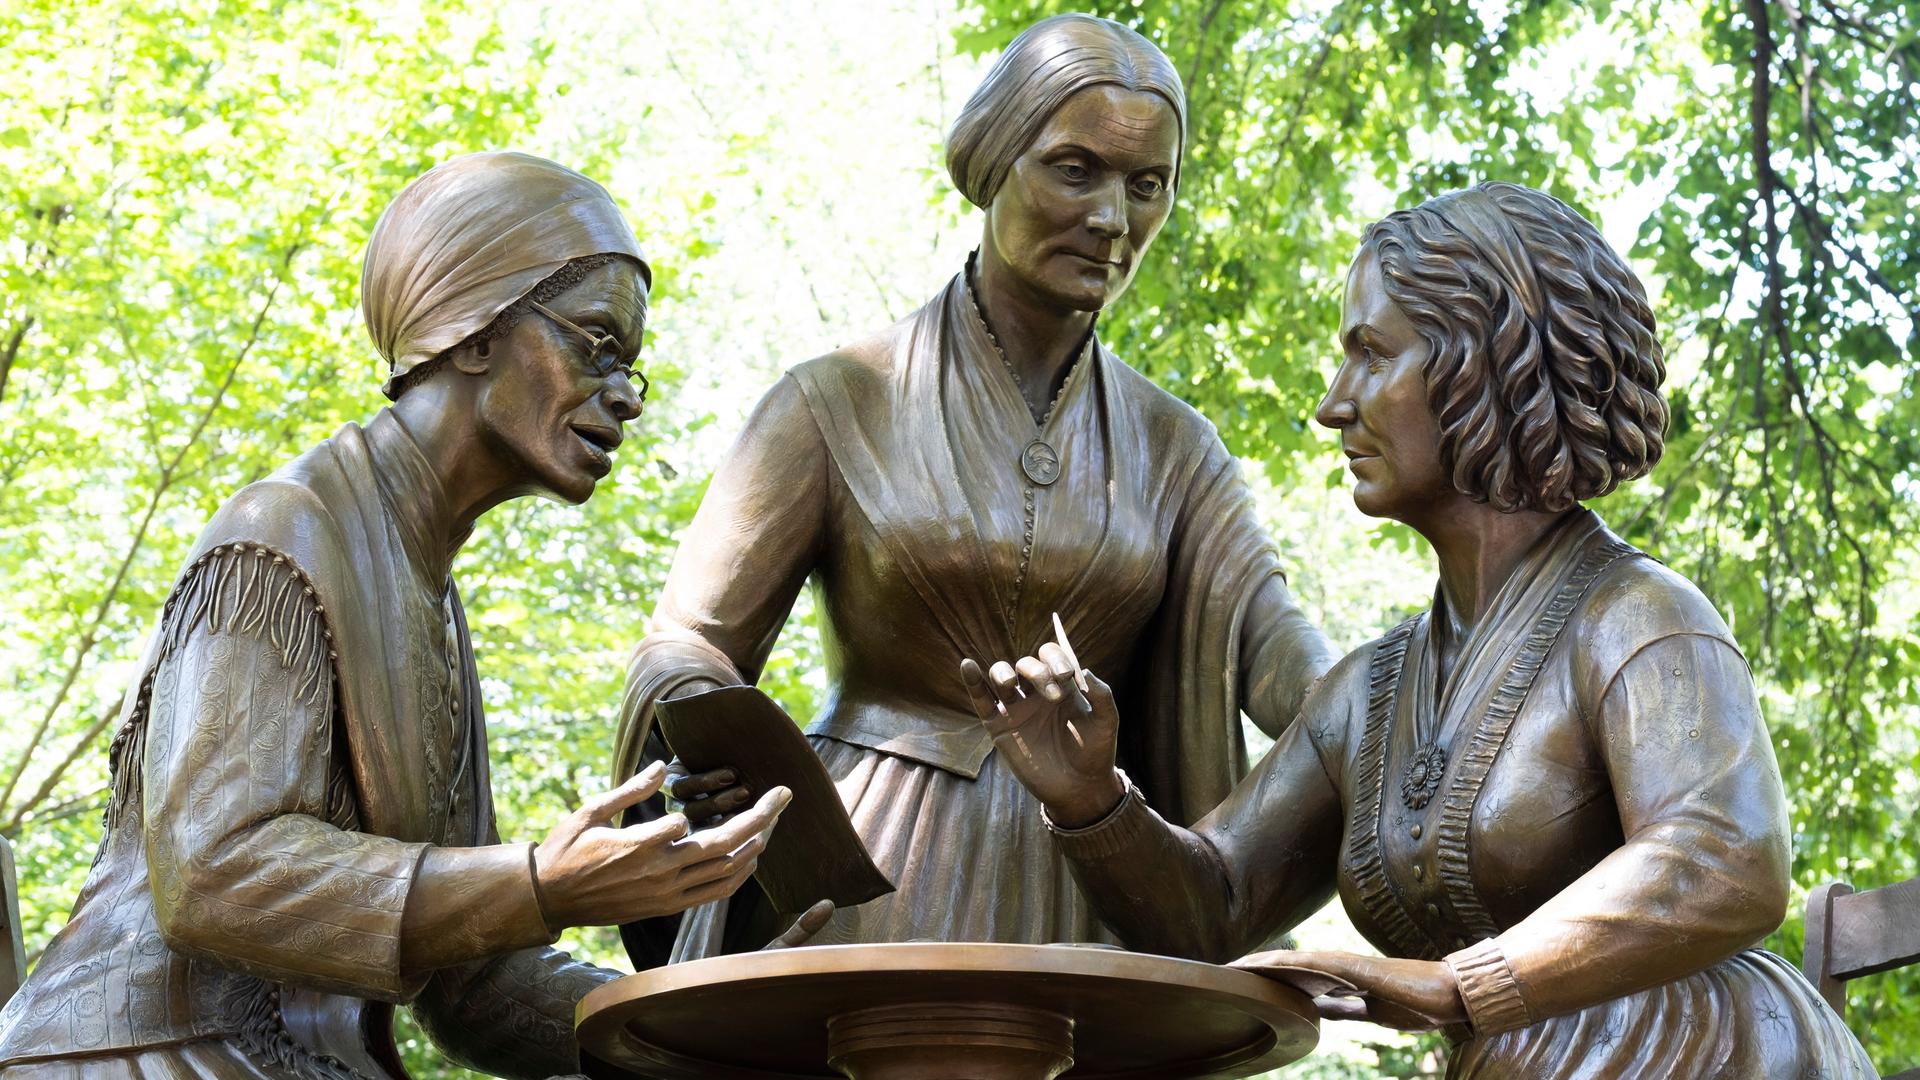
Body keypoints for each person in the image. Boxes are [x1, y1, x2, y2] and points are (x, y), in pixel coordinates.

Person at [962, 182, 1877, 1077]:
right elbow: (1216, 903)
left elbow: (1725, 856)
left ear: (1485, 365)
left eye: (1371, 354)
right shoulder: (1372, 691)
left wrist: (1461, 988)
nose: (1333, 402)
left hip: (1694, 1053)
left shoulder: (1640, 617)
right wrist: (1091, 797)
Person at [0, 151, 803, 1080]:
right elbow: (214, 876)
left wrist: (698, 1018)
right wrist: (540, 881)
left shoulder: (429, 595)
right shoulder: (282, 533)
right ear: (472, 334)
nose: (624, 393)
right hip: (143, 1059)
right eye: (595, 343)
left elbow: (473, 982)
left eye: (632, 367)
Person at [614, 13, 1336, 962]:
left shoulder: (1177, 449)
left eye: (1146, 184)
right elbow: (689, 639)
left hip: (1093, 874)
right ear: (994, 163)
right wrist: (722, 746)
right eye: (1075, 170)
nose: (1113, 219)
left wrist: (1401, 712)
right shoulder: (837, 399)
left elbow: (1273, 644)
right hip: (867, 866)